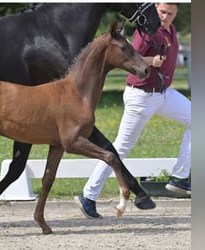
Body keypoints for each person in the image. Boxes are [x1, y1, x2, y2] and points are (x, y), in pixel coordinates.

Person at [75, 3, 191, 219]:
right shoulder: (147, 32)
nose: (164, 17)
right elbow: (128, 56)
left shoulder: (171, 31)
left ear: (176, 15)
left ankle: (179, 178)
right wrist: (151, 62)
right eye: (162, 12)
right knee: (121, 147)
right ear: (155, 8)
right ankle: (88, 195)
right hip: (141, 96)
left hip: (164, 93)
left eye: (170, 14)